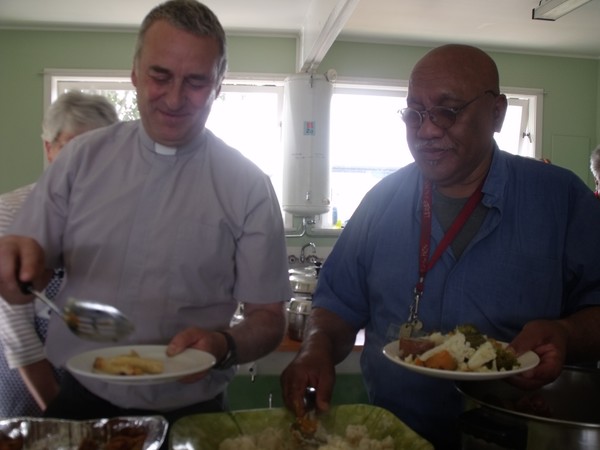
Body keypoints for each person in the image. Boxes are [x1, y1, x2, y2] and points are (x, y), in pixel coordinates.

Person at [281, 44, 600, 450]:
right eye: (414, 113)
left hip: (518, 434)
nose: (427, 129)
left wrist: (567, 334)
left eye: (448, 111)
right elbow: (338, 306)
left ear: (497, 113)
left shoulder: (560, 200)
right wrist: (315, 348)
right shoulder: (382, 202)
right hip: (396, 436)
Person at [0, 0, 291, 431]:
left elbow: (268, 318)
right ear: (135, 72)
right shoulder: (81, 159)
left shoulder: (248, 185)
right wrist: (16, 268)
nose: (175, 98)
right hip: (83, 399)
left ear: (218, 84)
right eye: (160, 76)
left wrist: (223, 345)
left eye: (196, 81)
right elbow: (30, 270)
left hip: (195, 410)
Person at [0, 91, 118, 417]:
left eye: (100, 150)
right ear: (49, 149)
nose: (87, 162)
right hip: (28, 382)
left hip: (94, 381)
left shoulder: (116, 221)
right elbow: (17, 333)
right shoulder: (11, 212)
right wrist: (60, 415)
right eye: (73, 147)